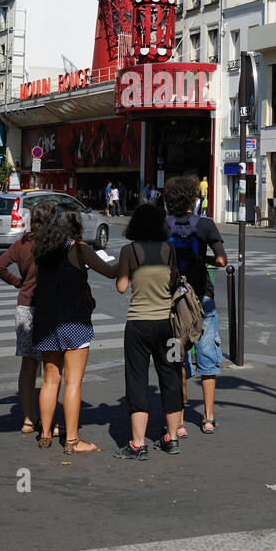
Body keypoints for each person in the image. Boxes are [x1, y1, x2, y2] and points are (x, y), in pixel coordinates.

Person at [31, 206, 117, 452]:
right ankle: (71, 441)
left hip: (46, 321)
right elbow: (110, 272)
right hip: (74, 321)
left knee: (50, 380)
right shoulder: (79, 249)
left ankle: (45, 435)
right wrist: (125, 260)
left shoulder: (43, 249)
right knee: (73, 382)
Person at [113, 202, 182, 460]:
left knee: (137, 380)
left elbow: (121, 287)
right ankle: (172, 439)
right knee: (171, 377)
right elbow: (174, 280)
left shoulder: (129, 250)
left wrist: (127, 273)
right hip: (169, 325)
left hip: (138, 325)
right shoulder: (169, 249)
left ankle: (138, 444)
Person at [164, 175, 227, 434]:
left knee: (174, 357)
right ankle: (208, 417)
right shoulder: (205, 225)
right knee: (207, 357)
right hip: (202, 299)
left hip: (172, 300)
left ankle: (177, 421)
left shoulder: (163, 226)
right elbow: (222, 260)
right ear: (193, 198)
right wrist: (205, 261)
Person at [0, 200, 55, 435]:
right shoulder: (53, 245)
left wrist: (18, 282)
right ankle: (48, 423)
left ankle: (29, 419)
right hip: (47, 309)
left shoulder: (21, 244)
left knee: (28, 366)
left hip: (25, 307)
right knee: (51, 367)